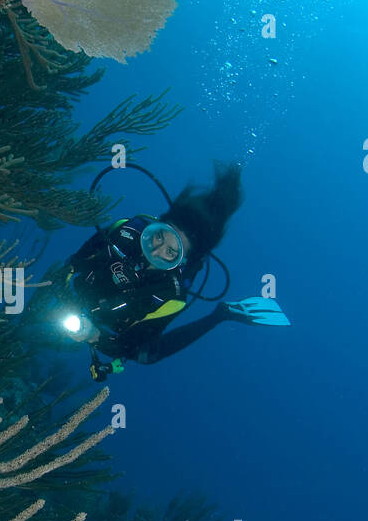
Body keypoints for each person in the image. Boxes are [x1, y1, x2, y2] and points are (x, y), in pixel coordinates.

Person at [60, 162, 288, 380]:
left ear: (181, 260)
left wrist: (95, 336)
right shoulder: (124, 231)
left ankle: (221, 315)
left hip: (117, 322)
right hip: (85, 296)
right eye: (159, 236)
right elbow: (74, 262)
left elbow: (128, 346)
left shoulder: (171, 295)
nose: (156, 251)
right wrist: (56, 285)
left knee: (146, 355)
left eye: (171, 252)